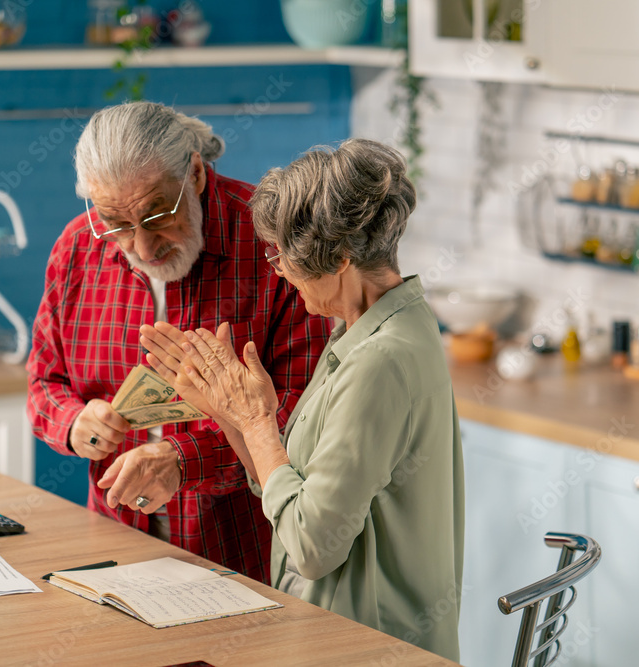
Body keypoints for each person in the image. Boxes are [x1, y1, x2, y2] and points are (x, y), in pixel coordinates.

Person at [141, 139, 464, 660]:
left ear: (338, 259)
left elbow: (313, 546)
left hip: (363, 647)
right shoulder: (374, 328)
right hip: (337, 636)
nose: (278, 271)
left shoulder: (379, 361)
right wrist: (230, 414)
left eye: (282, 256)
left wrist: (259, 423)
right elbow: (292, 491)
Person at [26, 102, 330, 584]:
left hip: (244, 559)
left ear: (195, 172)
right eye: (117, 223)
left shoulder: (272, 245)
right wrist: (72, 422)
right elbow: (43, 383)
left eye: (157, 214)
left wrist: (184, 460)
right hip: (115, 555)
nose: (143, 249)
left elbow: (307, 416)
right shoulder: (76, 250)